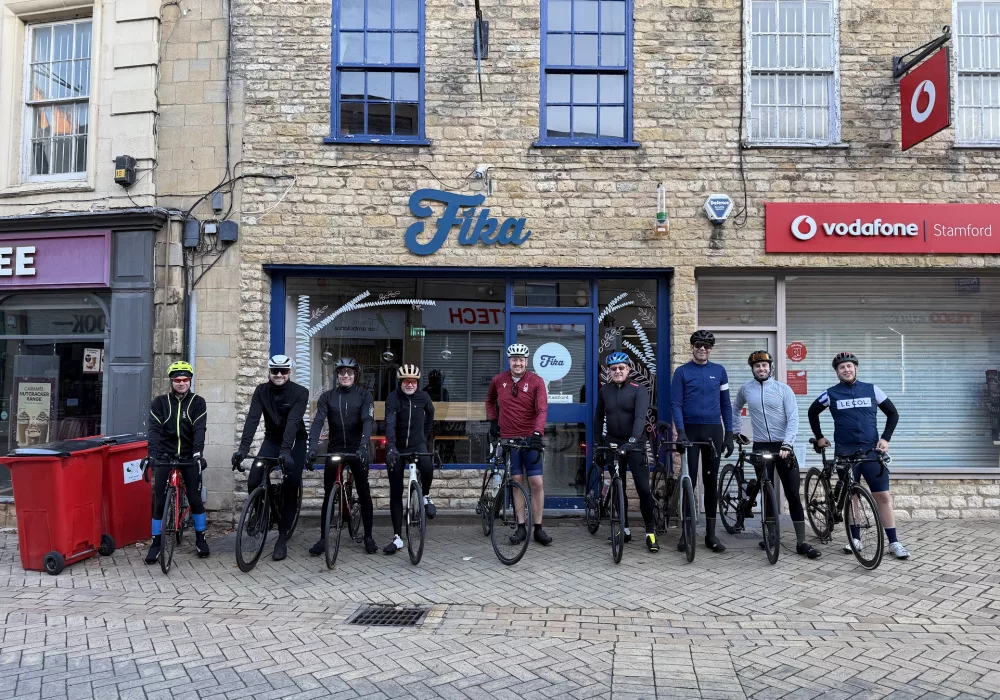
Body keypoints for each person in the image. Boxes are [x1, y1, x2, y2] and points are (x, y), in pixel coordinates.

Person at [808, 352, 909, 559]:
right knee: (852, 495)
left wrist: (885, 438)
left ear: (856, 368)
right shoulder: (831, 393)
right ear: (837, 372)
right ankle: (855, 539)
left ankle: (894, 542)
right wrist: (819, 437)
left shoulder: (872, 389)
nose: (846, 370)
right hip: (845, 452)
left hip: (872, 451)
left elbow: (893, 413)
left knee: (883, 496)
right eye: (841, 367)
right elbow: (812, 412)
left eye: (849, 366)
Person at [732, 350, 820, 559]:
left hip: (784, 447)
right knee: (767, 492)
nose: (761, 369)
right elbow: (734, 409)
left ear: (770, 367)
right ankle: (771, 536)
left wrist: (788, 444)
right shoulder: (746, 389)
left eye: (764, 365)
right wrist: (737, 432)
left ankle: (801, 541)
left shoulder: (783, 389)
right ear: (752, 369)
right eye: (757, 366)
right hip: (761, 446)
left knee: (792, 493)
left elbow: (793, 418)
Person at [231, 354, 309, 561]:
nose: (279, 374)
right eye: (275, 371)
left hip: (294, 442)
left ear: (289, 372)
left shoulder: (300, 392)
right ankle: (260, 510)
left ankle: (282, 538)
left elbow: (293, 422)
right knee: (255, 477)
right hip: (272, 440)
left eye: (283, 371)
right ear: (269, 372)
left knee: (291, 484)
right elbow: (253, 419)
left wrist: (286, 451)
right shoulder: (261, 391)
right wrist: (242, 449)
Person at [670, 330, 734, 553]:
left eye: (706, 346)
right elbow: (676, 404)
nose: (702, 349)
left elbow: (726, 405)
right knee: (690, 482)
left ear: (711, 349)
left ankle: (711, 534)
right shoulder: (681, 372)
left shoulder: (720, 371)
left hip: (713, 431)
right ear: (692, 347)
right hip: (690, 431)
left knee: (710, 483)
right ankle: (686, 532)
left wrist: (729, 433)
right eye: (698, 345)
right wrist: (681, 431)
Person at [306, 357, 377, 555]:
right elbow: (318, 421)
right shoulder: (327, 397)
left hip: (357, 449)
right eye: (342, 372)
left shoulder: (364, 396)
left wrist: (364, 445)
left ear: (355, 375)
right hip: (335, 448)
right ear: (337, 375)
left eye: (350, 372)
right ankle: (322, 539)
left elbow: (367, 420)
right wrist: (312, 447)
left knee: (364, 493)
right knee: (328, 494)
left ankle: (369, 536)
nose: (346, 375)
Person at [485, 342, 551, 545]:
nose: (518, 363)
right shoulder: (499, 380)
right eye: (514, 359)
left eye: (521, 360)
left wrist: (538, 432)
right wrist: (493, 420)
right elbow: (489, 401)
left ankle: (538, 528)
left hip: (530, 438)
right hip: (509, 438)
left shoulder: (536, 381)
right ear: (509, 361)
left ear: (526, 361)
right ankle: (521, 526)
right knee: (516, 481)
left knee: (537, 483)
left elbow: (541, 409)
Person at [146, 361, 209, 563]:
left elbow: (200, 429)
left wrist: (198, 453)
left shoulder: (198, 402)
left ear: (190, 381)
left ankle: (201, 538)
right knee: (159, 501)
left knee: (194, 497)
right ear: (171, 381)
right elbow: (154, 431)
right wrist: (151, 455)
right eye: (177, 380)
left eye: (185, 379)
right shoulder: (160, 402)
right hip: (165, 455)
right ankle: (156, 543)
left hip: (189, 456)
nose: (181, 383)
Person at [594, 352, 657, 552]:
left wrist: (632, 441)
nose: (618, 371)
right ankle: (625, 529)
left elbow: (640, 418)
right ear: (609, 372)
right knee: (617, 488)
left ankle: (650, 532)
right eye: (614, 369)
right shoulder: (605, 391)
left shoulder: (639, 390)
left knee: (643, 489)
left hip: (635, 444)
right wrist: (598, 443)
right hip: (613, 443)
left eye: (621, 368)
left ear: (628, 369)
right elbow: (598, 418)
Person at [383, 364, 436, 554]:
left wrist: (425, 434)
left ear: (417, 382)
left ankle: (425, 496)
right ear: (400, 382)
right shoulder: (393, 398)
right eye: (406, 381)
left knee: (428, 467)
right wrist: (390, 447)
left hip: (417, 443)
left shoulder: (424, 397)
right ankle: (397, 537)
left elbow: (431, 414)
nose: (410, 384)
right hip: (397, 446)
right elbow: (389, 421)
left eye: (413, 381)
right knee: (395, 491)